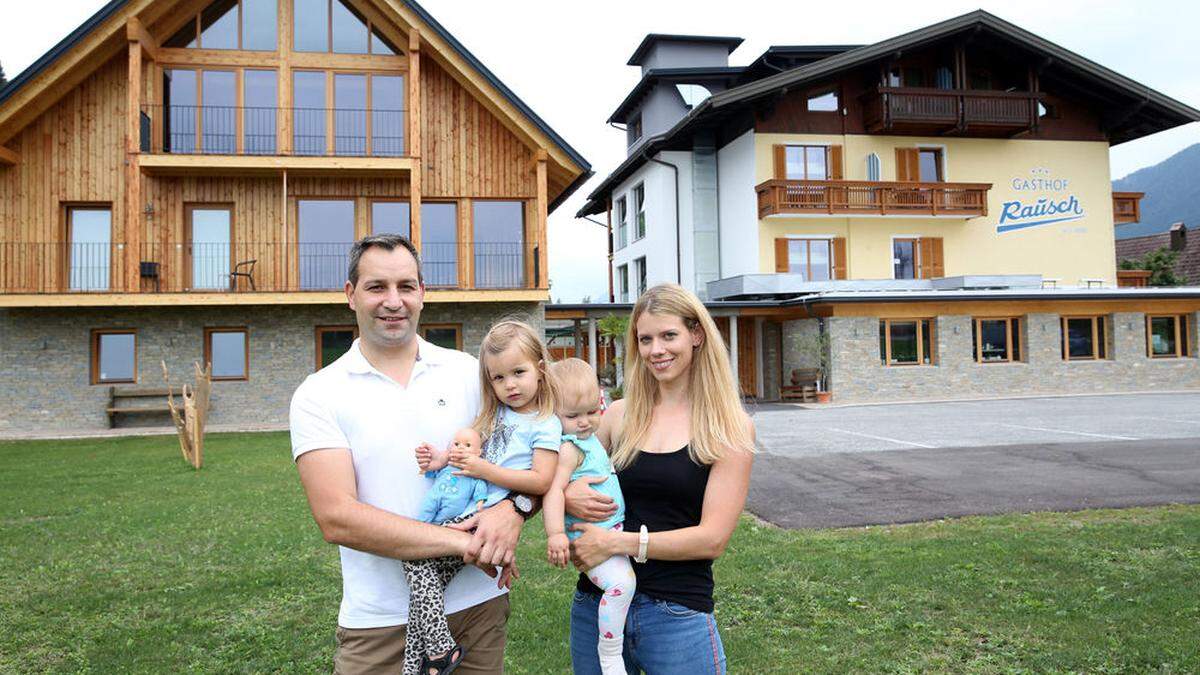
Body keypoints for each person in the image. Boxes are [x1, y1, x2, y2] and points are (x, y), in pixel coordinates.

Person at [289, 234, 526, 675]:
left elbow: (526, 459)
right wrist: (464, 542)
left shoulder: (468, 375)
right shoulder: (318, 393)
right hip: (379, 624)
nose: (393, 301)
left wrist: (515, 509)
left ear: (423, 293)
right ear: (350, 295)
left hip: (478, 608)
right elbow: (336, 516)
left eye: (406, 287)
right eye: (377, 287)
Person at [564, 284, 756, 675]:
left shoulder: (728, 427)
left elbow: (712, 538)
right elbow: (554, 471)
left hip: (677, 613)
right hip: (597, 605)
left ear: (696, 335)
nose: (656, 350)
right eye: (646, 339)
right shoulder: (617, 416)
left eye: (669, 335)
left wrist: (616, 541)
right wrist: (567, 494)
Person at [406, 319, 561, 674]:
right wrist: (443, 458)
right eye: (499, 378)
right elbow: (468, 451)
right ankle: (424, 663)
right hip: (467, 511)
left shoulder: (545, 423)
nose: (510, 385)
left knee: (415, 561)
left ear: (540, 370)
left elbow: (541, 480)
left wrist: (484, 471)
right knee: (422, 592)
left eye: (518, 372)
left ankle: (439, 651)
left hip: (483, 521)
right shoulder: (494, 414)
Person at [543, 358, 634, 675]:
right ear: (554, 414)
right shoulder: (569, 448)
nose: (584, 422)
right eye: (572, 416)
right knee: (622, 586)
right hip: (588, 537)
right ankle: (610, 654)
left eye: (592, 412)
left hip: (610, 531)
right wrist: (556, 534)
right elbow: (553, 490)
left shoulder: (589, 437)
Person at [403, 428, 489, 675]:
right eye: (457, 444)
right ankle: (414, 667)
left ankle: (440, 649)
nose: (461, 448)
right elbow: (429, 472)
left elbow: (481, 496)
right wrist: (434, 461)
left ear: (479, 452)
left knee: (412, 558)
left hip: (455, 527)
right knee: (422, 598)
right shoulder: (446, 466)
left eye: (467, 445)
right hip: (434, 523)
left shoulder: (476, 472)